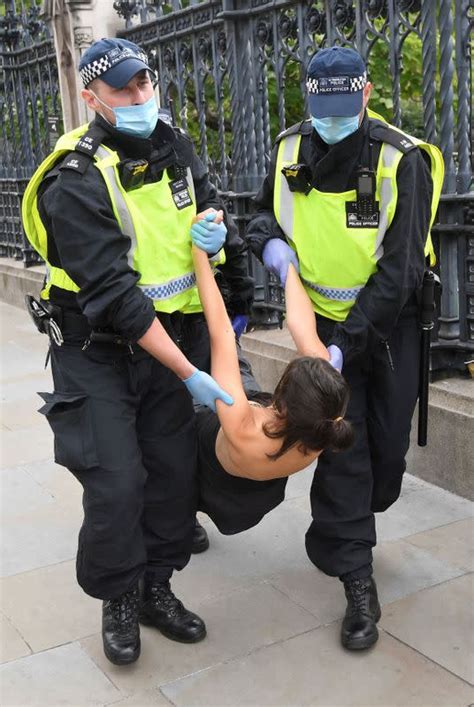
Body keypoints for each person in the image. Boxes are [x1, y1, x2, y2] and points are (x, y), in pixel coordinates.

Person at [20, 37, 249, 666]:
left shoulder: (174, 144)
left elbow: (206, 208)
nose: (142, 96)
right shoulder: (74, 178)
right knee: (119, 480)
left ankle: (156, 587)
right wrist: (190, 373)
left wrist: (217, 231)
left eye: (146, 82)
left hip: (169, 340)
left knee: (172, 473)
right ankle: (118, 597)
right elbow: (117, 295)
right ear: (93, 99)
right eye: (124, 89)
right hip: (97, 348)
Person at [247, 46, 444, 650]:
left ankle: (366, 513)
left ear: (364, 96)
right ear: (309, 101)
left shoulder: (401, 160)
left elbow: (402, 268)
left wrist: (346, 347)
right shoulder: (287, 151)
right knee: (342, 450)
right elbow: (263, 219)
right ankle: (355, 577)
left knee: (385, 457)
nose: (330, 119)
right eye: (319, 107)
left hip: (390, 328)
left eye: (343, 106)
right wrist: (269, 248)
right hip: (322, 331)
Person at [190, 224, 353, 533]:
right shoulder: (325, 424)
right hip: (262, 484)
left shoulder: (245, 430)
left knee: (170, 423)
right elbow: (299, 323)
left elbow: (221, 334)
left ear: (282, 403)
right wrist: (288, 268)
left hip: (214, 469)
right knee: (237, 379)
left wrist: (200, 255)